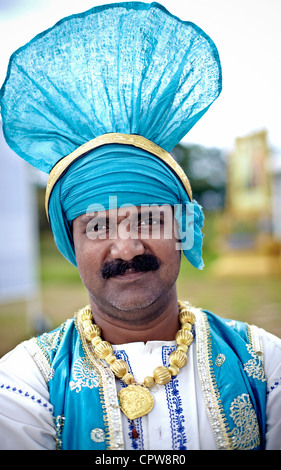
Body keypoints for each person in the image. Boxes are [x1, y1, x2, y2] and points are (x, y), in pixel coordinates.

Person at [0, 2, 280, 451]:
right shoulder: (26, 382)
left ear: (183, 229)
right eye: (97, 226)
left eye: (150, 218)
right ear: (69, 242)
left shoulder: (265, 363)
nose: (126, 247)